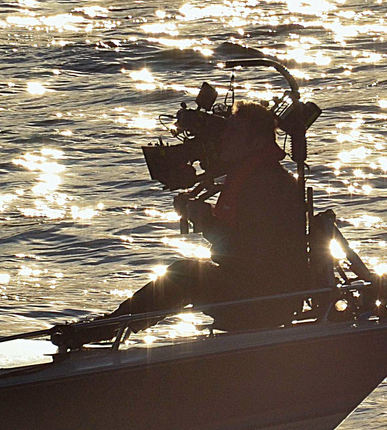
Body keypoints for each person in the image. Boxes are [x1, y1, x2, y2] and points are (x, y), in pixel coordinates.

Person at [111, 101, 308, 333]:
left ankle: (111, 328)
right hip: (253, 286)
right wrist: (198, 212)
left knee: (184, 274)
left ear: (256, 143)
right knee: (186, 272)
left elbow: (246, 247)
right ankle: (114, 325)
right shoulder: (254, 177)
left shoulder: (267, 184)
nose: (224, 137)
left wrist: (203, 220)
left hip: (263, 298)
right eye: (226, 130)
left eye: (234, 132)